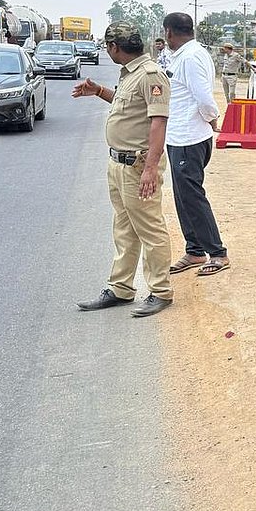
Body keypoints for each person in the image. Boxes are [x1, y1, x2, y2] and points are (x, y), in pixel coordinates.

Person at [73, 22, 176, 318]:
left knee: (150, 229)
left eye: (108, 47)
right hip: (119, 164)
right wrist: (99, 91)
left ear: (114, 47)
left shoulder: (150, 75)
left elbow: (159, 122)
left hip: (138, 167)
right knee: (124, 229)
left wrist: (150, 169)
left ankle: (161, 291)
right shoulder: (130, 74)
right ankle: (121, 288)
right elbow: (128, 106)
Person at [162, 12, 230, 276]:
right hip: (180, 136)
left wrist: (212, 119)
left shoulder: (190, 58)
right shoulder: (188, 54)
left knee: (192, 196)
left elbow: (204, 98)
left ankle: (217, 253)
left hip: (189, 138)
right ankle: (194, 251)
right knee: (182, 196)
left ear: (169, 32)